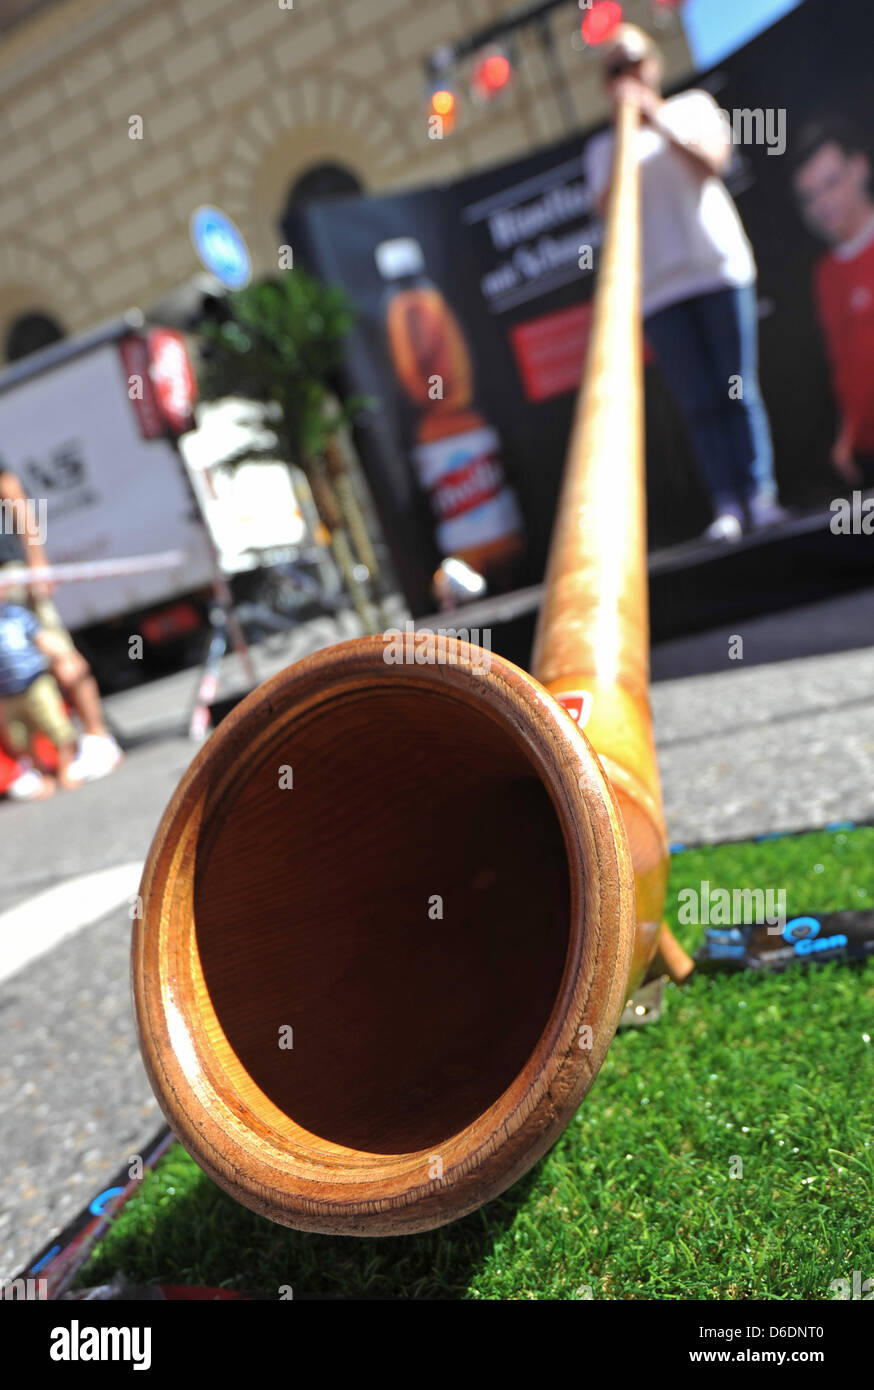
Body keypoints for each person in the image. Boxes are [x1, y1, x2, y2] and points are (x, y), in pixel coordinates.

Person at [583, 24, 785, 541]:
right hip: (657, 292)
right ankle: (727, 505)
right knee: (698, 402)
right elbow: (608, 212)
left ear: (652, 64)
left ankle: (759, 495)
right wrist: (630, 133)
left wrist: (657, 119)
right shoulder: (604, 150)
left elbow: (712, 164)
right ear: (606, 84)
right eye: (615, 69)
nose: (627, 74)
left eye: (634, 62)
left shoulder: (692, 107)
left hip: (716, 270)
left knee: (738, 387)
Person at [0, 466, 122, 778]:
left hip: (9, 573)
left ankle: (98, 739)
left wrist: (36, 559)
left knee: (60, 656)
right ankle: (31, 766)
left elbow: (11, 491)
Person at [791, 120, 874, 488]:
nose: (824, 204)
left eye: (831, 183)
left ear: (859, 168)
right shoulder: (823, 275)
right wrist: (847, 437)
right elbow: (845, 364)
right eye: (810, 196)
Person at [0, 603, 89, 793]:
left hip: (35, 683)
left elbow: (42, 637)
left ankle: (66, 767)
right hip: (6, 694)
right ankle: (43, 775)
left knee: (56, 725)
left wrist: (64, 657)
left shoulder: (14, 614)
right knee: (20, 737)